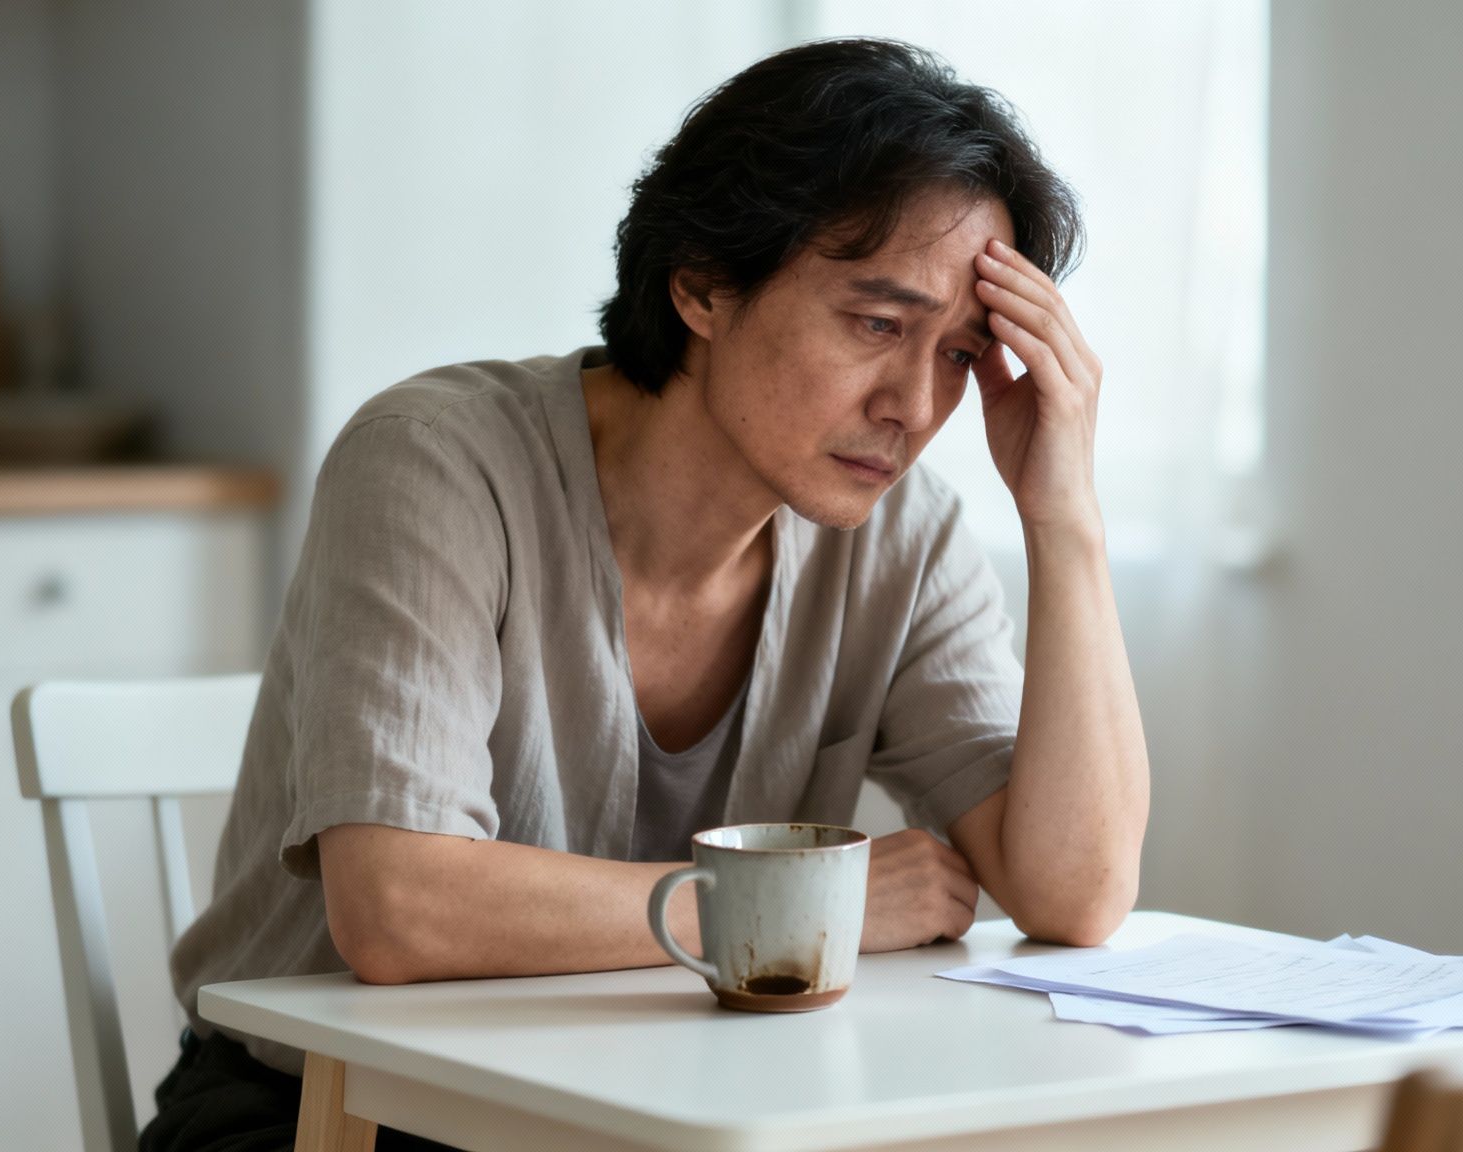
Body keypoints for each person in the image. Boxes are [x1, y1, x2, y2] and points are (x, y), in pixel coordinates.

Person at [140, 37, 1150, 1152]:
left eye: (959, 354)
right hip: (324, 1110)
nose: (914, 405)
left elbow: (1074, 895)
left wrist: (1064, 519)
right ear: (702, 284)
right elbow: (397, 910)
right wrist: (810, 909)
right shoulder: (434, 461)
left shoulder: (905, 539)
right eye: (876, 325)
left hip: (655, 1103)